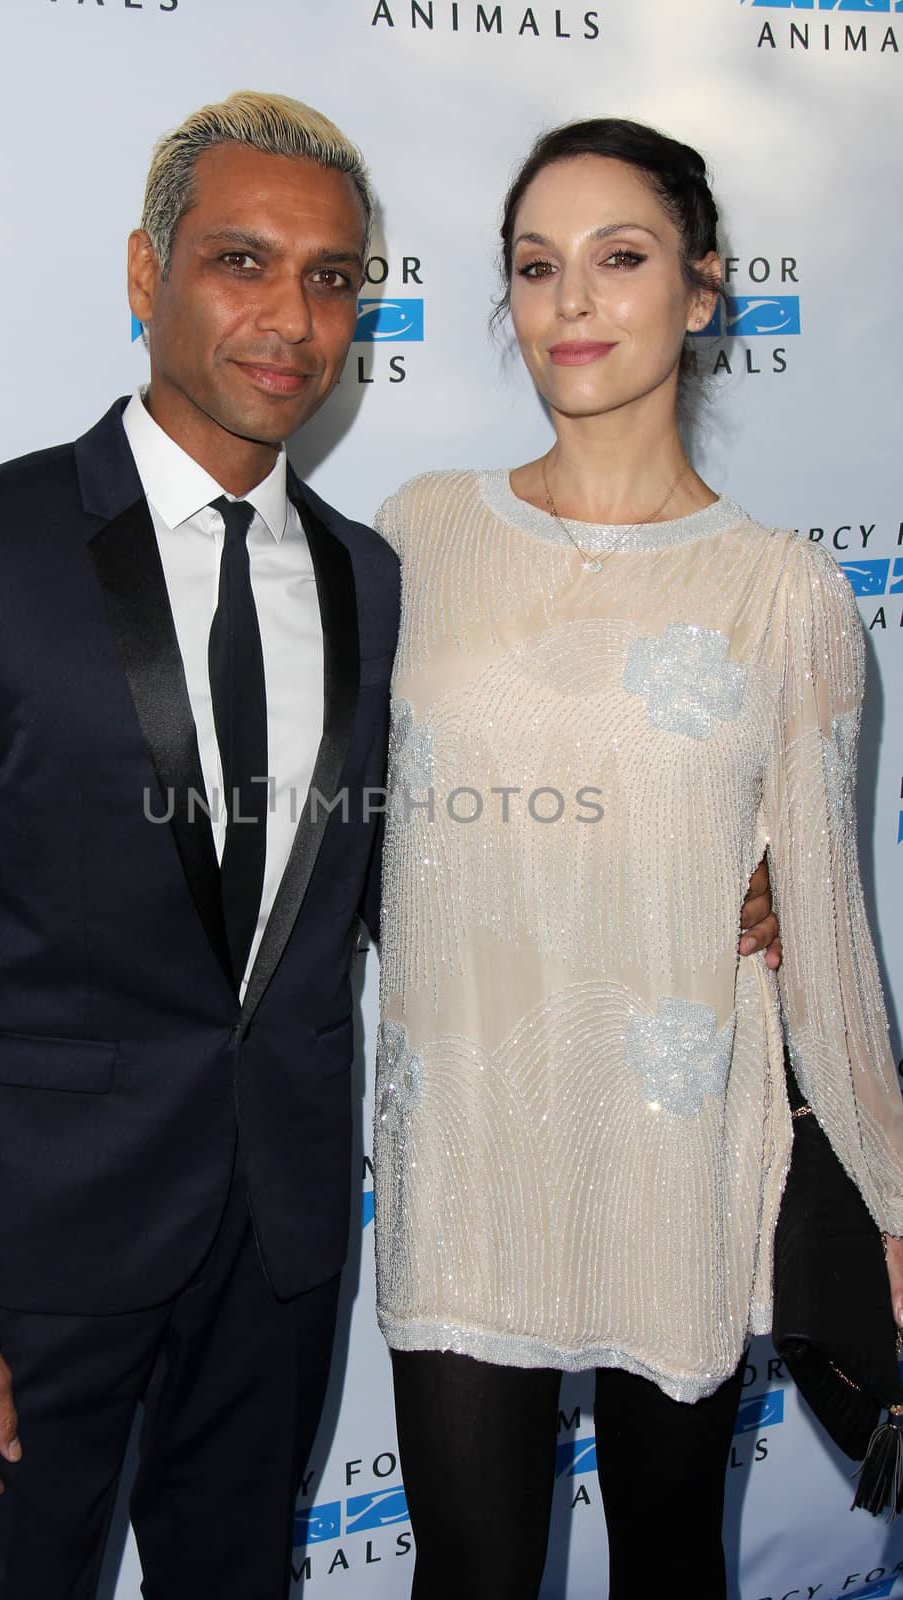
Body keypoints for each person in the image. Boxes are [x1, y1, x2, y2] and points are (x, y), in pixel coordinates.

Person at [0, 91, 402, 1599]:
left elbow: (383, 888)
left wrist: (697, 889)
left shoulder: (370, 577)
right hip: (23, 1286)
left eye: (333, 278)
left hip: (278, 1262)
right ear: (146, 278)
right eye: (241, 261)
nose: (291, 317)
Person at [372, 117, 903, 1600]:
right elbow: (331, 831)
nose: (574, 302)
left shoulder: (785, 593)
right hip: (468, 1157)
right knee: (467, 1576)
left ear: (705, 290)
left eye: (622, 258)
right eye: (537, 268)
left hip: (673, 1158)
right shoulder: (417, 536)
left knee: (671, 1566)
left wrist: (896, 1196)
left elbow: (833, 936)